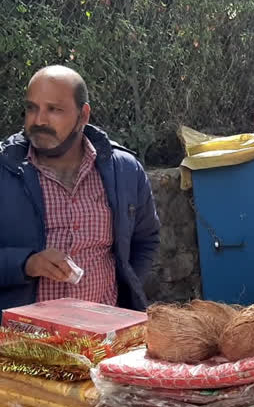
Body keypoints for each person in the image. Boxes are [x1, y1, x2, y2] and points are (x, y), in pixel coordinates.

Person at [0, 65, 160, 311]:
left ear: (83, 115)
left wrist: (124, 294)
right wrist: (26, 264)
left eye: (54, 109)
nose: (39, 120)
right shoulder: (6, 172)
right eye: (32, 108)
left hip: (104, 338)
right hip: (23, 342)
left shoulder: (124, 171)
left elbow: (146, 239)